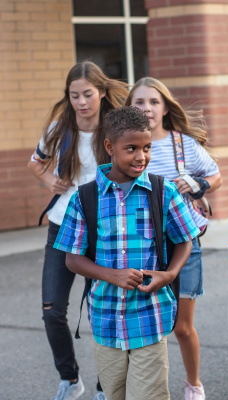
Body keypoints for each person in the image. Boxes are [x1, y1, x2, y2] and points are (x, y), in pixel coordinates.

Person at [54, 106, 200, 400]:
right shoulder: (85, 198)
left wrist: (170, 274)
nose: (141, 156)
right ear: (110, 146)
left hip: (150, 317)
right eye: (131, 148)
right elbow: (72, 258)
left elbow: (186, 239)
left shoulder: (163, 191)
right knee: (114, 395)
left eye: (146, 148)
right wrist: (113, 275)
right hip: (106, 321)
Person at [27, 61, 129, 400]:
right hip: (61, 226)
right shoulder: (60, 127)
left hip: (104, 231)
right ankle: (70, 380)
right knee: (52, 310)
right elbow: (35, 161)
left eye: (88, 94)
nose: (81, 102)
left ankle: (105, 387)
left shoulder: (116, 127)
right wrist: (48, 180)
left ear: (101, 92)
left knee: (101, 312)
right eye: (74, 95)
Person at [126, 77, 222, 400]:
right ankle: (150, 388)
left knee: (181, 326)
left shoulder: (182, 144)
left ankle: (193, 384)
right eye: (139, 102)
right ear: (130, 108)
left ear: (166, 108)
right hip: (142, 242)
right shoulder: (126, 145)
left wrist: (198, 186)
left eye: (154, 102)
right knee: (147, 326)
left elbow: (215, 175)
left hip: (184, 241)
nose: (147, 108)